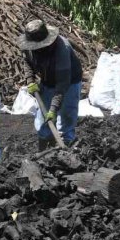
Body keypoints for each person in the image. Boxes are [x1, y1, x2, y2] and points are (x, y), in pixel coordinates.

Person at [19, 19, 83, 149]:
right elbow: (27, 62)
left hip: (69, 82)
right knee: (43, 118)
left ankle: (67, 143)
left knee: (66, 115)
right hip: (47, 80)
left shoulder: (61, 49)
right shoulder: (29, 46)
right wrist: (30, 80)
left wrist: (54, 109)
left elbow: (62, 85)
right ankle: (44, 143)